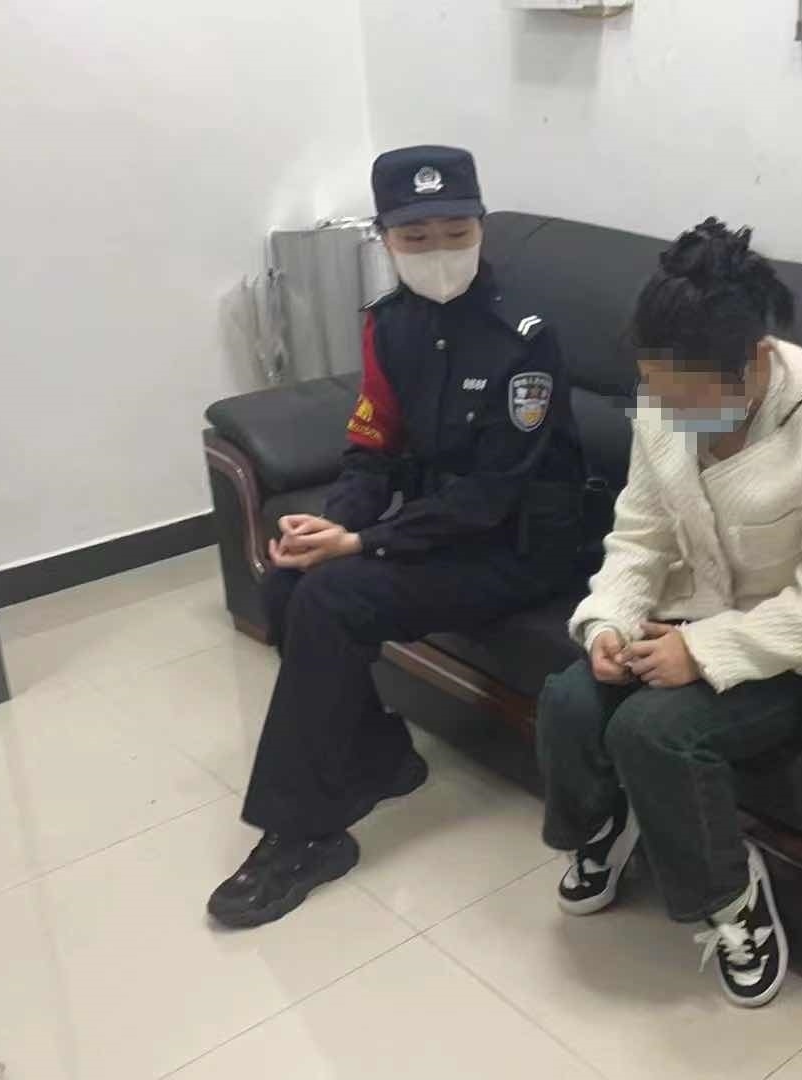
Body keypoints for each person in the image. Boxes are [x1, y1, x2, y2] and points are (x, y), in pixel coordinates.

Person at [535, 219, 802, 1007]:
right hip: (699, 611)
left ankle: (731, 899)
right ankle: (600, 828)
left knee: (654, 731)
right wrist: (609, 621)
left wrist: (701, 653)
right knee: (570, 697)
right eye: (657, 390)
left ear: (755, 364)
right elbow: (640, 534)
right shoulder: (662, 404)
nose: (669, 413)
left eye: (690, 398)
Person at [208, 146, 585, 929]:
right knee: (290, 578)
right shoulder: (390, 327)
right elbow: (373, 449)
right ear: (385, 239)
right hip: (439, 534)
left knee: (333, 597)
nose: (438, 251)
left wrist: (365, 545)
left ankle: (303, 834)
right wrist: (337, 519)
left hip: (520, 548)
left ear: (481, 228)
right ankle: (378, 756)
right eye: (416, 238)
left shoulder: (524, 339)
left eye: (456, 232)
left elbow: (491, 496)